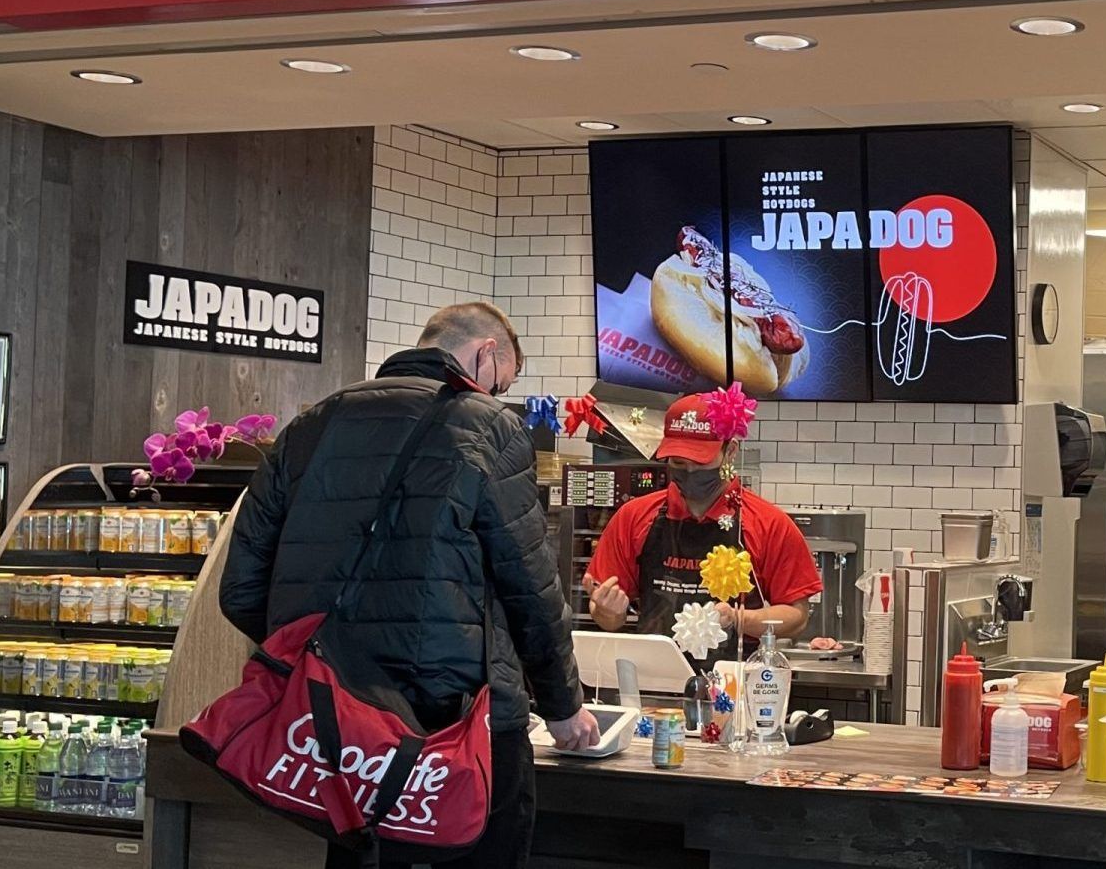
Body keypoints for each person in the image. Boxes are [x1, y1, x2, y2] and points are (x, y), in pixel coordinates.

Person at [220, 302, 598, 869]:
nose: (497, 394)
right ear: (486, 353)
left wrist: (320, 660)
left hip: (336, 723)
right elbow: (530, 586)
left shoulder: (312, 425)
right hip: (463, 723)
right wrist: (564, 703)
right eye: (504, 381)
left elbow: (242, 588)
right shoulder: (491, 426)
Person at [583, 391, 822, 653]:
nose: (690, 471)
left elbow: (797, 615)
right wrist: (607, 611)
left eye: (701, 461)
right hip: (656, 680)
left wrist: (739, 619)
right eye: (678, 462)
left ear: (730, 451)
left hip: (735, 682)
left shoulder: (769, 524)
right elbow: (608, 618)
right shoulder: (633, 518)